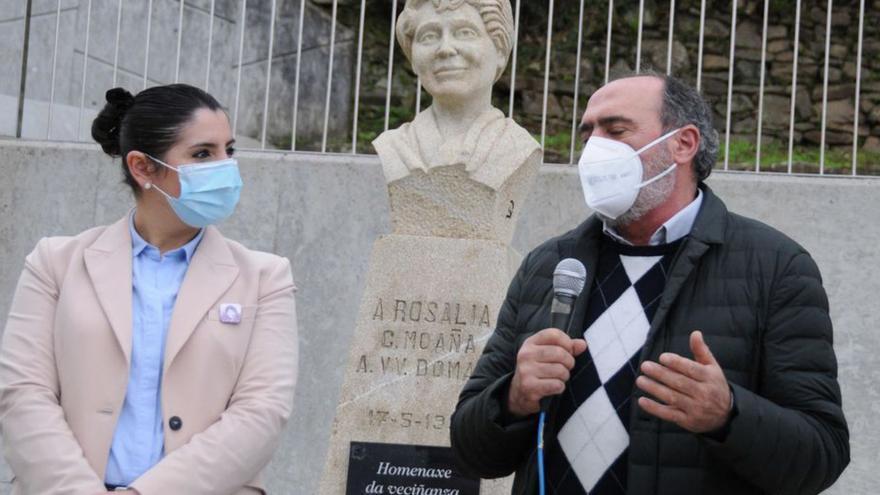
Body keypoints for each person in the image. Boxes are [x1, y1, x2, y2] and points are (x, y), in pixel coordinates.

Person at [450, 73, 849, 494]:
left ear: (683, 143)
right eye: (588, 134)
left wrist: (729, 415)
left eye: (616, 130)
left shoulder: (776, 268)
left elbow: (821, 455)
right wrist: (511, 400)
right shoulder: (548, 266)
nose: (594, 149)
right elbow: (470, 450)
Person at [0, 84, 298, 495]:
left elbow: (261, 413)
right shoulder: (55, 264)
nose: (226, 166)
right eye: (202, 154)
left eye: (229, 150)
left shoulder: (265, 278)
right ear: (142, 167)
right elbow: (23, 396)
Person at [373, 0, 540, 190]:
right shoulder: (394, 146)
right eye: (428, 36)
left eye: (465, 33)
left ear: (500, 51)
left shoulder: (515, 147)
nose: (445, 48)